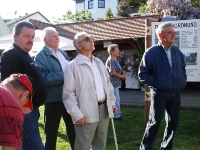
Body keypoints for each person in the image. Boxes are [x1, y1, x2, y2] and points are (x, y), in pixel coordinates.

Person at [62, 31, 116, 150]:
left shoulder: (99, 62)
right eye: (87, 39)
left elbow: (108, 85)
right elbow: (68, 94)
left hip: (104, 109)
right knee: (83, 145)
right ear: (78, 45)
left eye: (92, 38)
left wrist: (111, 103)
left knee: (100, 144)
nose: (91, 40)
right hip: (85, 111)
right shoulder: (72, 66)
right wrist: (76, 114)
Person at [138, 22, 187, 150]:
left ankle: (166, 147)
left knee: (173, 122)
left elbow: (183, 68)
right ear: (161, 35)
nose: (173, 35)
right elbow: (143, 74)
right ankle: (146, 148)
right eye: (170, 32)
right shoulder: (151, 53)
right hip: (159, 94)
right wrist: (159, 84)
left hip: (175, 94)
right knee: (154, 123)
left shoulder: (177, 51)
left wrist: (182, 81)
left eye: (173, 32)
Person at [0, 21, 47, 150]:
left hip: (31, 110)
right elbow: (8, 89)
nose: (31, 40)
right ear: (15, 37)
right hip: (24, 112)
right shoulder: (11, 54)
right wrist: (23, 108)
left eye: (32, 37)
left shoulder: (25, 53)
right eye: (26, 36)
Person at [34, 27, 75, 150]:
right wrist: (64, 75)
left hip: (69, 98)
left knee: (73, 130)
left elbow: (71, 71)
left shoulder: (62, 53)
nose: (57, 38)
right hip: (53, 99)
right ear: (45, 39)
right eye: (53, 36)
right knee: (51, 133)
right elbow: (43, 78)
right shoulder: (40, 56)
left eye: (57, 35)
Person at [0, 73, 35, 150]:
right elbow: (10, 148)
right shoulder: (12, 105)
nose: (22, 110)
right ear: (24, 95)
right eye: (24, 104)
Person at [106, 44, 126, 120]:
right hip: (112, 84)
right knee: (115, 100)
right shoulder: (111, 60)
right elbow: (112, 72)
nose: (119, 52)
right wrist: (121, 76)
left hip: (115, 83)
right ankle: (116, 115)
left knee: (115, 99)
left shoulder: (114, 60)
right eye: (117, 50)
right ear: (112, 52)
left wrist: (123, 73)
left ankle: (115, 114)